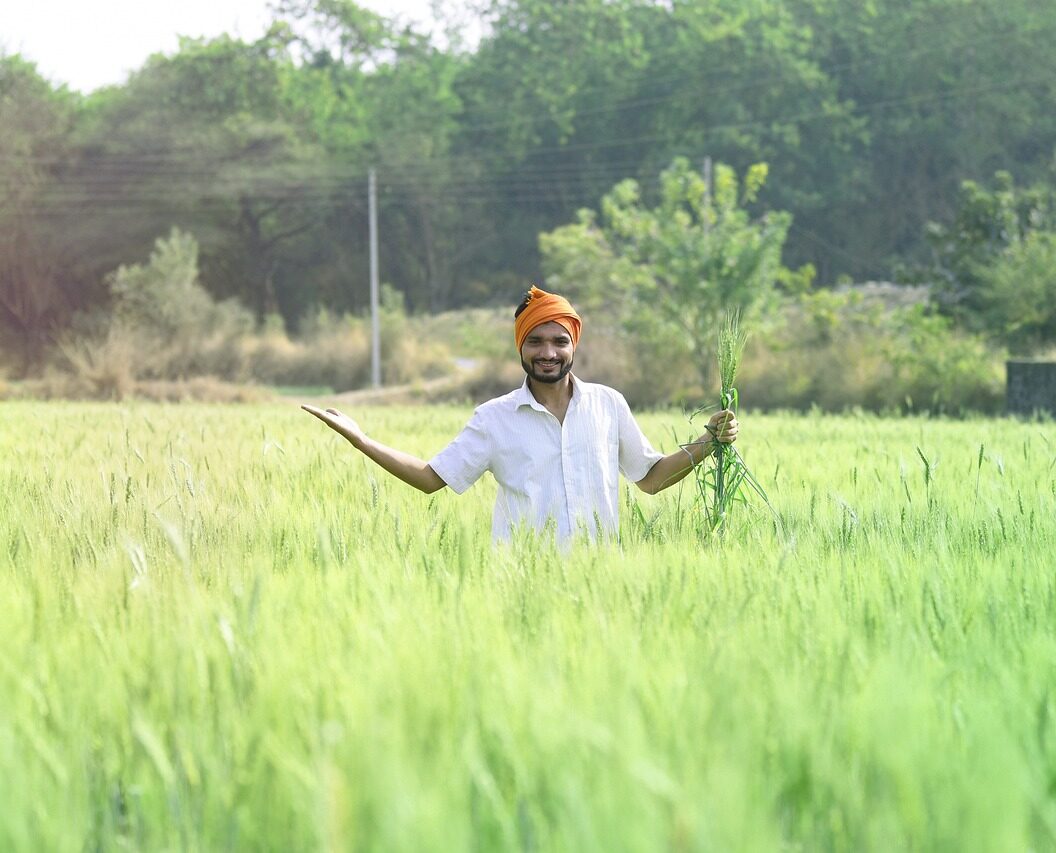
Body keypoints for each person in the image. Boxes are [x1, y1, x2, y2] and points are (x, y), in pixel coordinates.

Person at [303, 285, 738, 541]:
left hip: (601, 586)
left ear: (574, 345)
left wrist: (708, 441)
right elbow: (430, 478)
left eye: (558, 341)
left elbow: (652, 478)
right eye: (536, 341)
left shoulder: (609, 405)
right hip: (520, 587)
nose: (548, 353)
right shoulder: (494, 419)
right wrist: (360, 439)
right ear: (521, 347)